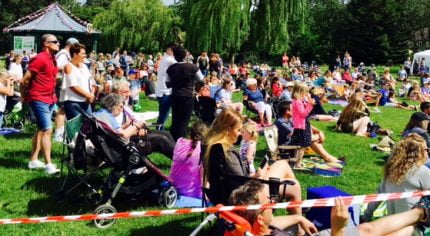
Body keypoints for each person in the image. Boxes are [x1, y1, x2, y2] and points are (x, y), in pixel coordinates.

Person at [230, 179, 430, 236]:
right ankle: (420, 218)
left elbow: (271, 222)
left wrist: (299, 218)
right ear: (258, 218)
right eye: (269, 201)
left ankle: (420, 216)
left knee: (368, 229)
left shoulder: (249, 228)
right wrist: (338, 228)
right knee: (371, 231)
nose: (274, 203)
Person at [204, 109, 302, 214]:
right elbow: (241, 184)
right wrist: (259, 175)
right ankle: (298, 220)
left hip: (225, 194)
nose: (239, 134)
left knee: (282, 163)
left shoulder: (210, 147)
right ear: (228, 129)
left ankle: (296, 206)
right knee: (294, 185)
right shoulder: (227, 152)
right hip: (244, 197)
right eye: (238, 130)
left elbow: (234, 178)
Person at [363, 134, 430, 226]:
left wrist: (366, 216)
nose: (428, 153)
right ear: (420, 152)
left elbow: (377, 197)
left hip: (392, 224)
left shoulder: (391, 169)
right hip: (412, 226)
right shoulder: (423, 172)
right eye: (427, 150)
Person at [20, 34, 60, 174]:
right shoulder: (40, 58)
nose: (58, 43)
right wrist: (24, 95)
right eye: (55, 41)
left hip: (49, 99)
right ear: (46, 44)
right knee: (47, 130)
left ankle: (33, 160)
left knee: (40, 129)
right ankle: (49, 165)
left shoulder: (52, 59)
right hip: (38, 98)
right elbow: (25, 80)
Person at [275, 101, 343, 164]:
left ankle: (328, 157)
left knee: (309, 137)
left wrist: (319, 132)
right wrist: (317, 136)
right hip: (287, 149)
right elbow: (297, 135)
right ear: (287, 111)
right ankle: (328, 158)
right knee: (309, 139)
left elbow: (306, 126)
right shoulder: (281, 123)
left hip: (293, 142)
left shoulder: (289, 119)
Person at [167, 46, 204, 141]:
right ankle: (180, 141)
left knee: (175, 119)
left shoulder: (171, 68)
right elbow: (201, 80)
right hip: (187, 96)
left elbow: (167, 84)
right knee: (184, 121)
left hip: (175, 96)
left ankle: (172, 140)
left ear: (175, 57)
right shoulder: (193, 67)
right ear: (185, 56)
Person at [169, 121, 207, 199]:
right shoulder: (203, 149)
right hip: (191, 193)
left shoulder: (180, 141)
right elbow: (203, 179)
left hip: (172, 188)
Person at [54, 37, 80, 141]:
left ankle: (61, 132)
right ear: (71, 45)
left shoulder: (66, 54)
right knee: (62, 110)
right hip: (61, 84)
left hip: (63, 84)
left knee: (63, 109)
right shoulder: (63, 54)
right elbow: (58, 66)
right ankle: (59, 134)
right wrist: (70, 66)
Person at [63, 43, 95, 120]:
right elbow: (73, 86)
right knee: (77, 128)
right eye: (83, 53)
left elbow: (91, 82)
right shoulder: (68, 66)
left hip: (86, 102)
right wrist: (88, 95)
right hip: (73, 102)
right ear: (75, 54)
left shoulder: (84, 66)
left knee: (90, 124)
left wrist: (92, 94)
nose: (85, 55)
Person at [290, 83, 315, 168]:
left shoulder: (300, 100)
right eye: (305, 91)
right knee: (302, 145)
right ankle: (297, 162)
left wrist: (309, 100)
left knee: (302, 145)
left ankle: (297, 160)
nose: (307, 93)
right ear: (300, 92)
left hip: (303, 124)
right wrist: (310, 105)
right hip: (301, 126)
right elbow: (303, 114)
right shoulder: (297, 102)